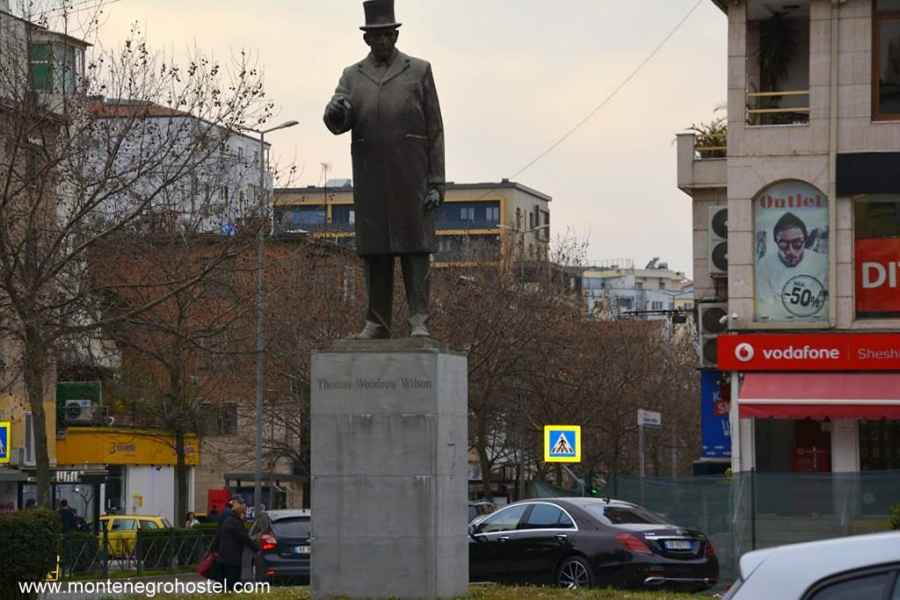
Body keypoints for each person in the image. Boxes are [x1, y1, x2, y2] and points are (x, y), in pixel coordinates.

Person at [324, 0, 445, 339]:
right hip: (371, 177)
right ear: (366, 39)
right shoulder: (352, 76)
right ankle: (377, 322)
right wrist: (334, 110)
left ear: (395, 35)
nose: (381, 40)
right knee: (375, 250)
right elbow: (338, 122)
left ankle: (419, 319)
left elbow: (435, 129)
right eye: (375, 36)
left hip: (412, 177)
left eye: (386, 34)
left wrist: (437, 182)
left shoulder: (418, 70)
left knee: (415, 249)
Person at [756, 212, 828, 321]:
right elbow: (768, 306)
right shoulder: (764, 264)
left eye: (797, 243)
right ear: (776, 242)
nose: (791, 251)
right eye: (783, 245)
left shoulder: (822, 262)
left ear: (806, 240)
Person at [211, 497, 258, 591]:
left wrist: (215, 549)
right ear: (240, 512)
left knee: (224, 586)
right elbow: (244, 538)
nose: (244, 515)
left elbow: (219, 534)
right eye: (244, 512)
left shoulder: (228, 520)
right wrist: (257, 549)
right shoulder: (235, 522)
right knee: (233, 586)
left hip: (223, 558)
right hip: (232, 559)